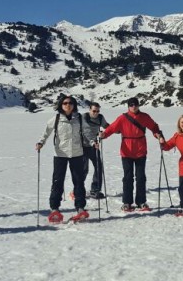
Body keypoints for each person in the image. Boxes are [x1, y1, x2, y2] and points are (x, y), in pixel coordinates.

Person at [99, 97, 163, 212]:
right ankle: (127, 202)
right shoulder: (122, 118)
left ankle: (141, 201)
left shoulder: (144, 117)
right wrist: (104, 135)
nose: (134, 106)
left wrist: (157, 134)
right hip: (126, 151)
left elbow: (154, 127)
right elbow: (112, 128)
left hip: (140, 150)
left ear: (138, 105)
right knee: (127, 178)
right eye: (131, 105)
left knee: (141, 177)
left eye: (136, 104)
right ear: (128, 106)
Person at [36, 95, 90, 223]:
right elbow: (46, 132)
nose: (68, 105)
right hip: (60, 154)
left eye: (71, 103)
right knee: (57, 181)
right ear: (61, 105)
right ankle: (55, 209)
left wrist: (93, 142)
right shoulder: (56, 119)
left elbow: (87, 133)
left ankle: (80, 208)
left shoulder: (79, 119)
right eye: (65, 103)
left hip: (77, 153)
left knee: (79, 182)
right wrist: (41, 142)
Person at [82, 101, 110, 199]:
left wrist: (117, 129)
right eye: (94, 111)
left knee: (98, 167)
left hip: (94, 146)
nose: (96, 113)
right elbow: (86, 132)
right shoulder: (84, 117)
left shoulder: (100, 118)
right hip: (83, 146)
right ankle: (78, 190)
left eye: (97, 111)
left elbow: (107, 126)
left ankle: (95, 190)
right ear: (89, 110)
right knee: (83, 169)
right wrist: (93, 142)